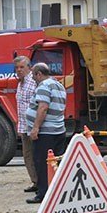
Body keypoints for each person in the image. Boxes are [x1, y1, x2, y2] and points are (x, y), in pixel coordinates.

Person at [25, 62, 68, 204]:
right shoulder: (59, 85)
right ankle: (58, 192)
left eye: (33, 76)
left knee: (42, 164)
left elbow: (43, 108)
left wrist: (35, 128)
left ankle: (43, 194)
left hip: (46, 133)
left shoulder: (44, 86)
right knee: (56, 163)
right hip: (58, 130)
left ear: (39, 74)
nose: (33, 79)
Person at [14, 56, 38, 194]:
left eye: (22, 67)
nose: (19, 70)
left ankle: (43, 183)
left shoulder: (34, 82)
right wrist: (19, 126)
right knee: (27, 155)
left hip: (34, 126)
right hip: (24, 127)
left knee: (38, 156)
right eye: (17, 68)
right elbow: (21, 106)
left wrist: (36, 126)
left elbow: (40, 105)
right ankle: (35, 182)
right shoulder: (20, 84)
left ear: (29, 67)